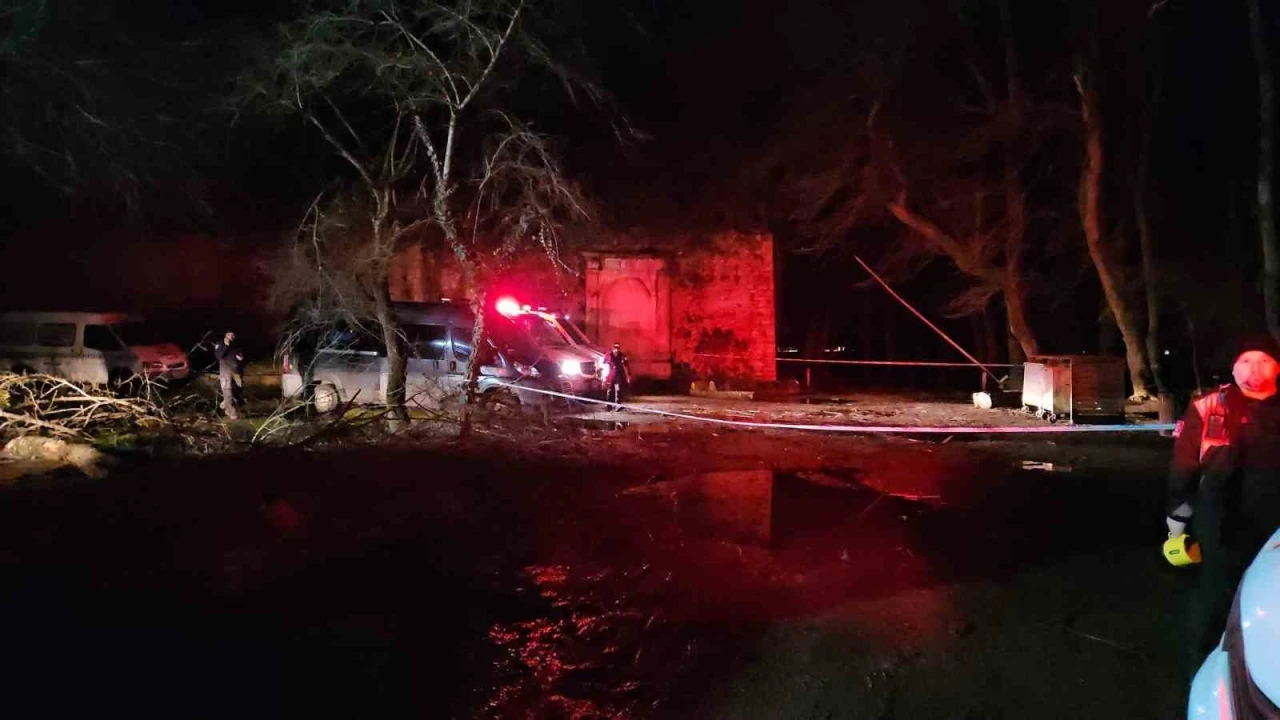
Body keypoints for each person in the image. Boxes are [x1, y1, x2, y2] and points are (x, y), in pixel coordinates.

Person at [1167, 336, 1280, 672]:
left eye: (1264, 360)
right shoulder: (1208, 407)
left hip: (1275, 525)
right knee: (1216, 595)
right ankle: (1206, 668)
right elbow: (1184, 464)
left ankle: (1264, 668)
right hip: (1220, 519)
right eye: (1246, 360)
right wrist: (1177, 515)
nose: (1254, 368)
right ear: (1233, 368)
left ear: (1277, 367)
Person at [213, 330, 245, 419]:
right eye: (230, 335)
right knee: (227, 390)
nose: (232, 336)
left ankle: (226, 403)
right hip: (225, 371)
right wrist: (226, 345)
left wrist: (240, 357)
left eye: (233, 335)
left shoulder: (236, 344)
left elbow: (240, 355)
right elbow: (219, 356)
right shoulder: (220, 344)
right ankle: (232, 411)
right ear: (226, 335)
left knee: (238, 390)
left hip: (236, 371)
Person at [606, 342, 631, 410]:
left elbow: (626, 365)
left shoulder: (622, 355)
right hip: (610, 375)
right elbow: (604, 365)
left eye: (618, 348)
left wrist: (628, 376)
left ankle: (618, 405)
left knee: (618, 390)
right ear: (612, 348)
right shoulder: (608, 355)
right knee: (610, 390)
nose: (616, 350)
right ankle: (609, 406)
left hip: (618, 375)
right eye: (615, 348)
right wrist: (604, 377)